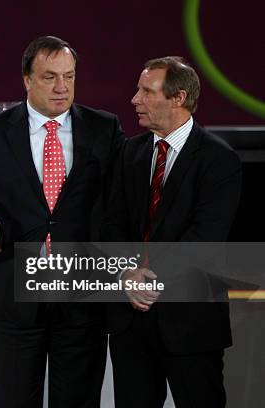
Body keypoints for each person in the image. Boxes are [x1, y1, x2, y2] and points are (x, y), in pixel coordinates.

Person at [0, 36, 124, 407]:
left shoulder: (104, 128)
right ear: (26, 80)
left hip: (83, 299)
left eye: (69, 76)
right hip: (15, 296)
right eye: (50, 77)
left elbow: (122, 201)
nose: (62, 88)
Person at [101, 56, 242, 408]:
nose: (134, 99)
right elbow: (112, 223)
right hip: (131, 326)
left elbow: (205, 238)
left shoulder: (218, 159)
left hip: (190, 325)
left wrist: (149, 280)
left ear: (178, 98)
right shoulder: (129, 153)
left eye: (146, 91)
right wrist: (126, 273)